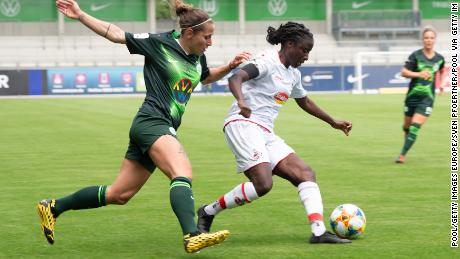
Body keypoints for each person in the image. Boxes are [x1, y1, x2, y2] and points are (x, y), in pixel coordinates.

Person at [37, 0, 250, 253]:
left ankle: (53, 207)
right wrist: (81, 15)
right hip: (152, 122)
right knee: (182, 172)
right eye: (208, 37)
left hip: (155, 126)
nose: (210, 42)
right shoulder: (159, 43)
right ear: (189, 33)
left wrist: (229, 66)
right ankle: (192, 234)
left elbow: (204, 78)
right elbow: (116, 35)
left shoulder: (197, 55)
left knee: (119, 194)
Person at [196, 22, 353, 244]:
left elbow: (304, 101)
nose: (306, 56)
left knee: (305, 173)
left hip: (265, 132)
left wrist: (332, 122)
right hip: (243, 123)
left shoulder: (293, 74)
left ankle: (318, 232)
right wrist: (241, 101)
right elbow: (235, 78)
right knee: (263, 184)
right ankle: (208, 211)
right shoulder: (266, 61)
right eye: (304, 50)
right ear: (289, 44)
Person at [395, 27, 445, 163]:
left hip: (427, 99)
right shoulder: (415, 56)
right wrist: (418, 74)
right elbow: (403, 72)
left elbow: (442, 70)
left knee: (414, 127)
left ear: (435, 40)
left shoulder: (439, 59)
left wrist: (441, 85)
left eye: (431, 38)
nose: (429, 40)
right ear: (422, 40)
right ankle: (407, 144)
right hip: (412, 97)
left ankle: (402, 155)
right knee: (406, 127)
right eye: (426, 37)